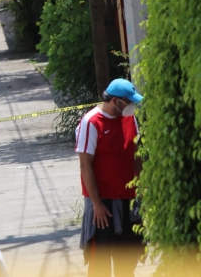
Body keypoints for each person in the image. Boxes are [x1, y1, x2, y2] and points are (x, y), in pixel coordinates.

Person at [75, 78, 145, 277]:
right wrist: (96, 203)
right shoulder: (91, 122)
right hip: (102, 204)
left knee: (128, 259)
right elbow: (85, 164)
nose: (131, 106)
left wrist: (141, 190)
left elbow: (135, 155)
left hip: (129, 199)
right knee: (100, 263)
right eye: (128, 102)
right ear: (116, 101)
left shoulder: (130, 119)